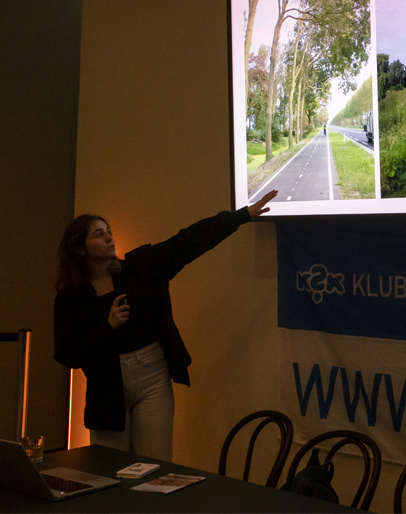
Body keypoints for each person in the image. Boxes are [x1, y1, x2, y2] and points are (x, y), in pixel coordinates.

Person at [53, 190, 277, 461]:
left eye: (109, 231)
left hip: (152, 376)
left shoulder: (139, 268)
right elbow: (67, 354)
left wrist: (242, 216)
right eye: (99, 234)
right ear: (80, 248)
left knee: (154, 465)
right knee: (110, 468)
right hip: (106, 387)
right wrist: (107, 327)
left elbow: (187, 242)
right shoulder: (71, 297)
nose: (110, 238)